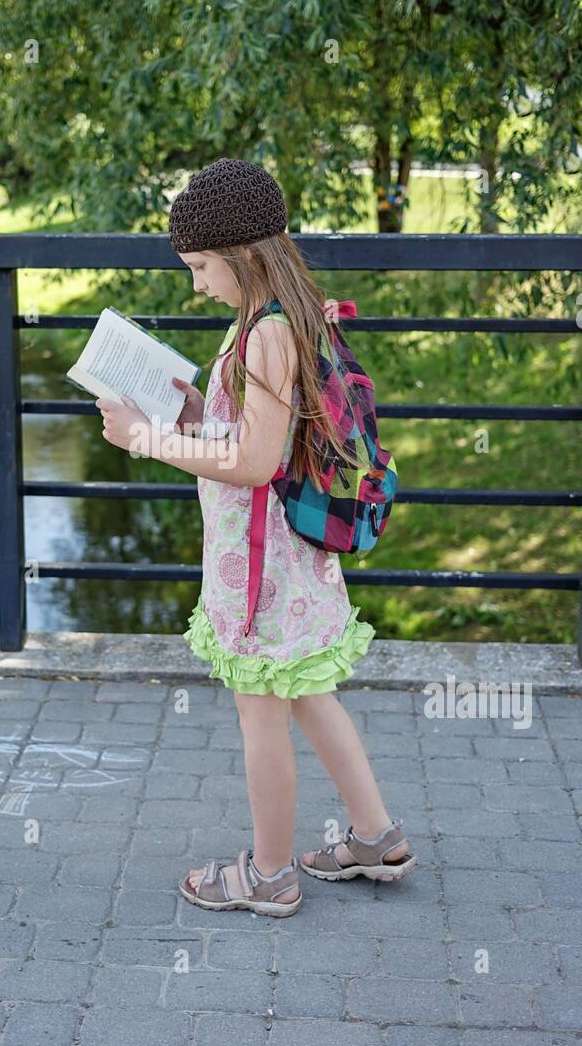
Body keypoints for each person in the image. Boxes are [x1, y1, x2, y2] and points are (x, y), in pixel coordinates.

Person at [96, 157, 416, 918]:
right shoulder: (280, 316)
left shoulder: (266, 336)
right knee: (307, 689)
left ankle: (270, 876)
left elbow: (252, 463)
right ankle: (374, 836)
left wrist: (146, 440)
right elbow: (255, 437)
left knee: (259, 711)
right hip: (288, 557)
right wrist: (194, 415)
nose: (197, 282)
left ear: (242, 255)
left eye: (202, 266)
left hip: (261, 565)